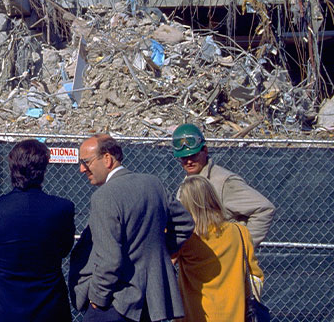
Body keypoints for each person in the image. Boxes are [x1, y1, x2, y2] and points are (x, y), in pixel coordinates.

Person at [69, 133, 195, 322]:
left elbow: (109, 259)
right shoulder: (153, 184)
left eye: (86, 162)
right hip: (151, 301)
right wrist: (159, 252)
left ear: (107, 159)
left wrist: (98, 297)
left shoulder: (104, 197)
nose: (81, 169)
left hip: (115, 302)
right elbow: (185, 223)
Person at [0, 139, 75, 322]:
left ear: (12, 167)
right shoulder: (62, 209)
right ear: (43, 169)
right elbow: (64, 249)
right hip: (48, 308)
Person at [173, 175, 264, 322]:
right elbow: (255, 274)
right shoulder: (240, 232)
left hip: (196, 314)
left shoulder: (186, 238)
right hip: (235, 315)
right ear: (213, 198)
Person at [172, 123, 275, 247]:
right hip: (199, 257)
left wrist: (243, 247)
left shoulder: (223, 182)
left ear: (205, 150)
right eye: (183, 158)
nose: (189, 161)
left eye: (193, 155)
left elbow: (264, 209)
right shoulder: (187, 183)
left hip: (222, 258)